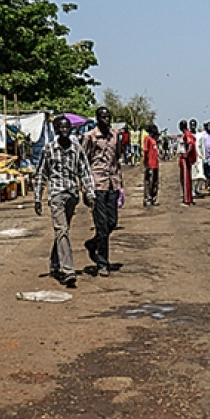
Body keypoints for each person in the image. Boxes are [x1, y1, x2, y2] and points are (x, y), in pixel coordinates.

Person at [34, 116, 95, 286]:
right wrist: (37, 197)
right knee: (62, 230)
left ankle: (55, 263)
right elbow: (41, 174)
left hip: (72, 195)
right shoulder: (49, 150)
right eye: (60, 128)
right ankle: (68, 270)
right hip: (56, 194)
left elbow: (85, 172)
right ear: (55, 130)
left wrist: (90, 194)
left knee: (63, 231)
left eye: (67, 127)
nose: (64, 130)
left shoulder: (77, 149)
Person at [82, 106, 123, 276]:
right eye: (102, 117)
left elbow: (117, 159)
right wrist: (85, 188)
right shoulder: (90, 137)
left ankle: (93, 244)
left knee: (112, 221)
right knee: (101, 225)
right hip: (97, 184)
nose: (106, 120)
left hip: (112, 183)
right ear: (97, 118)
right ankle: (102, 263)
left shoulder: (115, 135)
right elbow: (83, 162)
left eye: (108, 116)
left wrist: (121, 184)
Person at [179, 120, 197, 205]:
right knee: (187, 179)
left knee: (185, 179)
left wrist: (187, 153)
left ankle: (187, 200)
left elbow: (191, 144)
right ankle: (189, 198)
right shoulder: (188, 134)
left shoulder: (187, 134)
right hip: (186, 159)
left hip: (185, 159)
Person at [142, 124, 160, 206]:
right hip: (150, 164)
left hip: (155, 164)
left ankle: (154, 197)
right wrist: (146, 165)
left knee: (155, 182)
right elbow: (145, 152)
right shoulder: (148, 139)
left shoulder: (154, 140)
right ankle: (147, 198)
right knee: (148, 182)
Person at [189, 119, 206, 198]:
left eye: (194, 125)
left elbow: (202, 147)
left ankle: (197, 189)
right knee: (193, 176)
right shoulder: (188, 135)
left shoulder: (200, 135)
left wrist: (204, 158)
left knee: (201, 175)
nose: (192, 126)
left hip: (199, 157)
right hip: (191, 158)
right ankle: (192, 191)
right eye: (191, 125)